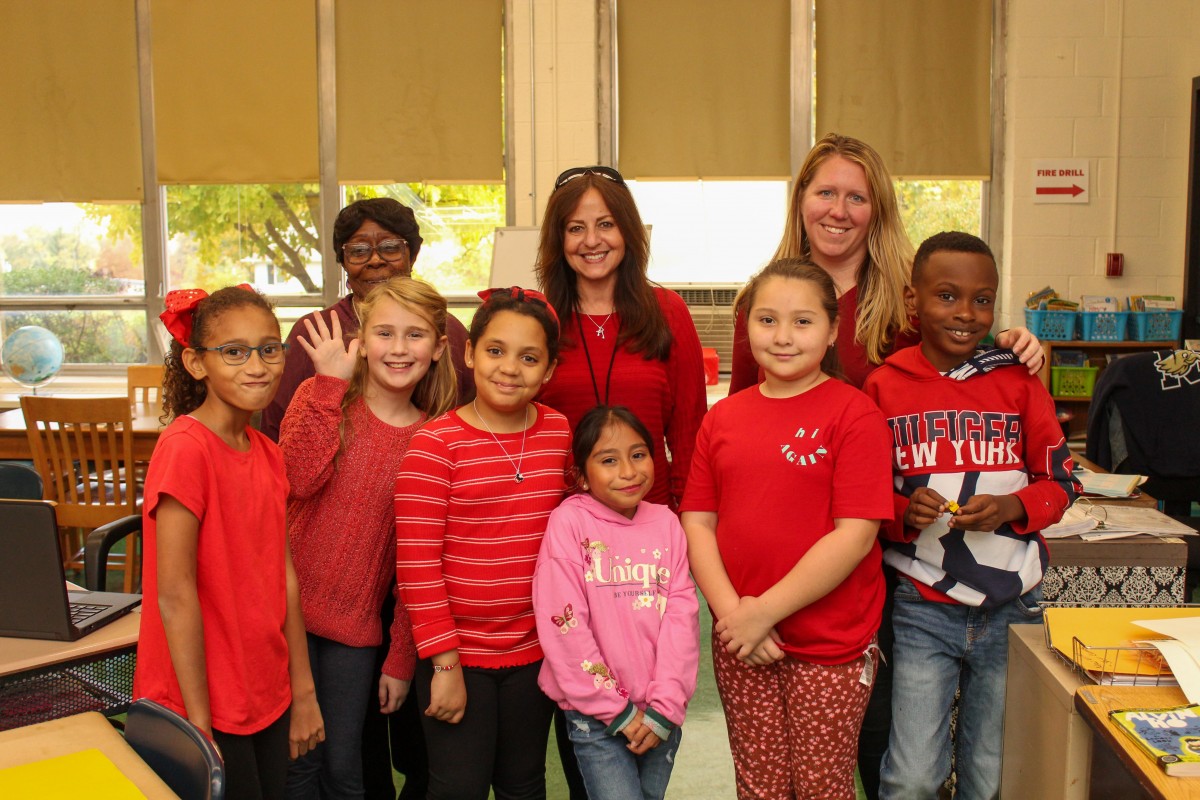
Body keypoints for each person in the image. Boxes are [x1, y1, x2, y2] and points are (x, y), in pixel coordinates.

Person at [726, 134, 1044, 798]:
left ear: (878, 208)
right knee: (791, 757)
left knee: (888, 748)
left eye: (856, 196)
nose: (838, 210)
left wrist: (1015, 343)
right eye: (825, 192)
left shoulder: (906, 302)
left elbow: (961, 355)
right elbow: (745, 430)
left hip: (886, 558)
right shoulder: (768, 299)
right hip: (786, 555)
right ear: (801, 200)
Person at [259, 197, 469, 799]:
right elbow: (297, 479)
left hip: (356, 632)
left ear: (437, 348)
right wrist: (327, 383)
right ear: (363, 339)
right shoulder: (325, 398)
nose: (397, 349)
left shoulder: (433, 438)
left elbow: (417, 563)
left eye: (412, 336)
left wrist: (402, 657)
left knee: (346, 767)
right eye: (383, 334)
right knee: (294, 761)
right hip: (283, 614)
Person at [861, 232, 1078, 800]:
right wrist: (904, 511)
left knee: (988, 771)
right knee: (912, 775)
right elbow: (861, 496)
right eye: (947, 296)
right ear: (913, 302)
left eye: (983, 300)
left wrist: (1013, 506)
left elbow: (1063, 481)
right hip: (922, 605)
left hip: (1013, 604)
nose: (965, 313)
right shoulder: (884, 385)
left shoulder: (1020, 381)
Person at [681, 260, 894, 799]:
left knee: (821, 788)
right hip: (742, 640)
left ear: (831, 331)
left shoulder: (855, 414)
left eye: (802, 322)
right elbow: (698, 522)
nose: (782, 337)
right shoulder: (723, 418)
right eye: (767, 320)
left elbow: (855, 535)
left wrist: (762, 612)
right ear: (747, 325)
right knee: (759, 787)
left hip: (830, 642)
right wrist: (735, 617)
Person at [135, 285, 325, 800]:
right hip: (203, 702)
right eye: (234, 352)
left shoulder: (266, 451)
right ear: (197, 363)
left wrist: (302, 691)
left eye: (269, 348)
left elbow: (284, 576)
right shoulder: (185, 449)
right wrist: (198, 725)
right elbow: (174, 594)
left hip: (263, 687)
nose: (257, 365)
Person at [395, 287, 571, 800]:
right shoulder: (434, 447)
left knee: (524, 785)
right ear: (469, 353)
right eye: (495, 351)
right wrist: (445, 665)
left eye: (528, 357)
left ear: (549, 370)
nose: (509, 368)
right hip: (458, 657)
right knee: (458, 788)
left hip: (535, 655)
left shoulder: (558, 433)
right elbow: (418, 568)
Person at [533, 405, 700, 800]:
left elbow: (683, 620)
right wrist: (616, 711)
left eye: (638, 455)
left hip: (662, 716)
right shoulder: (569, 522)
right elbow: (565, 626)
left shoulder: (666, 523)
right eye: (608, 460)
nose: (628, 471)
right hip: (596, 716)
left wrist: (664, 706)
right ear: (581, 477)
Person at [535, 165, 707, 512]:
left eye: (606, 224)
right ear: (559, 239)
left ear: (627, 231)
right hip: (561, 524)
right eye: (575, 228)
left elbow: (690, 436)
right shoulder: (539, 318)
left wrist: (690, 523)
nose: (592, 241)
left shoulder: (668, 312)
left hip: (654, 522)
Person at [261, 197, 473, 441]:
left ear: (412, 255)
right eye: (359, 251)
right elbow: (274, 431)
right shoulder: (316, 331)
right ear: (343, 262)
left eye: (390, 247)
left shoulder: (447, 329)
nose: (375, 260)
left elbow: (475, 418)